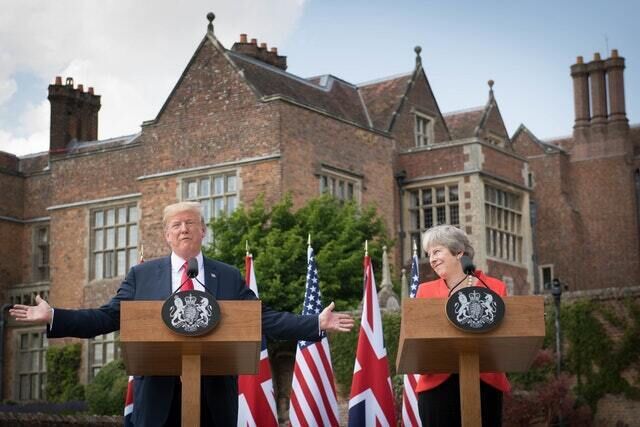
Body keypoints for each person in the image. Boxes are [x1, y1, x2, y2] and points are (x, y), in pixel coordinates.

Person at [10, 201, 354, 426]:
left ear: (203, 230)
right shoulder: (142, 276)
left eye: (191, 223)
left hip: (213, 401)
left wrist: (315, 323)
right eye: (176, 225)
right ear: (166, 235)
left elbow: (262, 319)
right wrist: (54, 316)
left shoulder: (228, 276)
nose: (184, 229)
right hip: (157, 400)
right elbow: (107, 317)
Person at [415, 224, 510, 427]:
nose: (431, 259)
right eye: (429, 253)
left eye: (437, 251)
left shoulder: (494, 288)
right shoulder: (425, 291)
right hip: (437, 385)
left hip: (484, 381)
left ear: (459, 252)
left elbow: (505, 333)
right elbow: (417, 337)